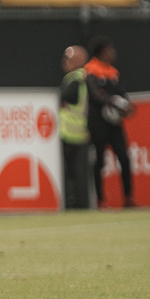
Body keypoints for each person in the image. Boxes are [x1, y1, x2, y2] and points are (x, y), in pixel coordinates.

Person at [84, 36, 134, 207]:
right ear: (101, 52)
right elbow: (95, 95)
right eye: (109, 51)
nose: (113, 53)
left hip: (114, 123)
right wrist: (112, 102)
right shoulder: (91, 70)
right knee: (99, 160)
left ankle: (128, 198)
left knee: (124, 158)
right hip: (98, 122)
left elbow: (122, 94)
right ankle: (100, 200)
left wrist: (127, 107)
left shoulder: (113, 72)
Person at [58, 44, 94, 210]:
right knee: (76, 173)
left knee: (76, 173)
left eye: (67, 58)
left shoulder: (76, 78)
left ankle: (78, 205)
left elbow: (68, 97)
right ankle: (77, 204)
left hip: (73, 133)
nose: (64, 62)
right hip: (77, 132)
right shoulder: (81, 77)